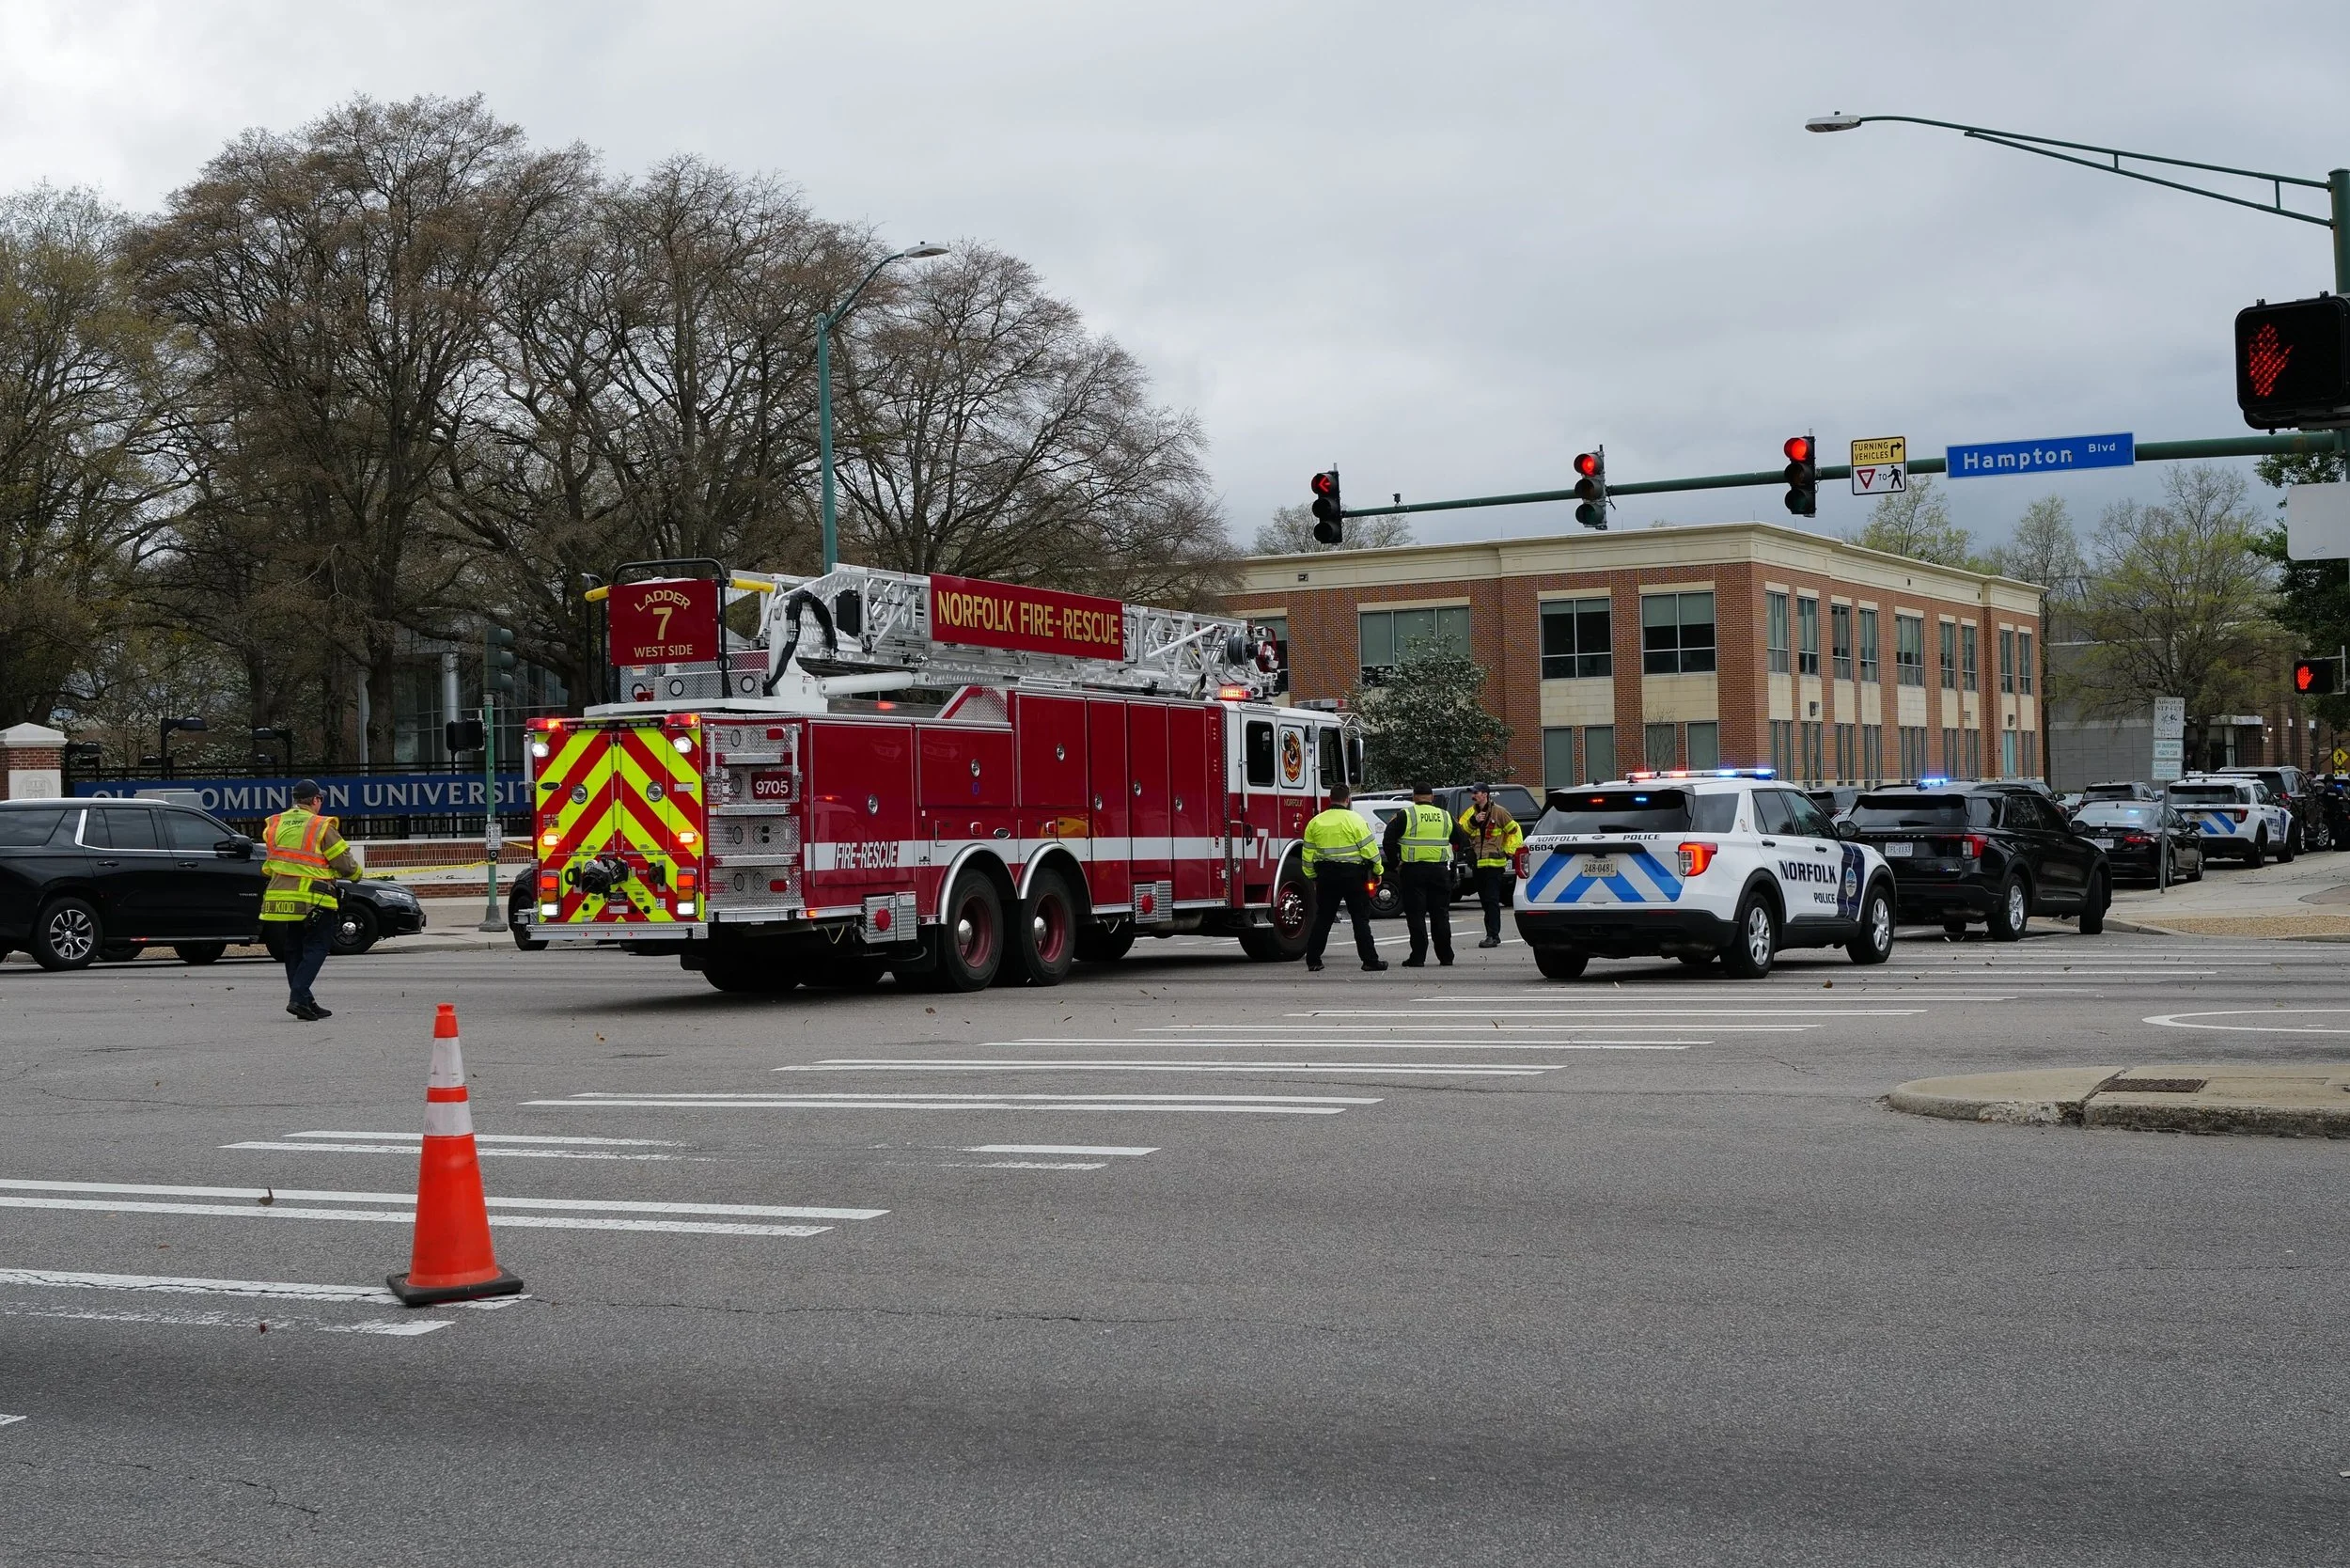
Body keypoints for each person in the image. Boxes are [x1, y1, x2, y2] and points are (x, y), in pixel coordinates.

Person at [259, 779, 361, 1021]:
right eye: (320, 799)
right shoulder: (320, 825)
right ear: (315, 800)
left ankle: (305, 1001)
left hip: (280, 895)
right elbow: (343, 863)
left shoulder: (275, 823)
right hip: (314, 896)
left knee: (293, 946)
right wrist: (357, 875)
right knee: (317, 946)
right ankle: (298, 996)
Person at [1300, 782, 1386, 973]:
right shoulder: (1355, 820)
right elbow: (1370, 851)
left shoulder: (1316, 822)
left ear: (1330, 799)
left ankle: (1313, 960)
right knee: (1360, 919)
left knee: (1323, 918)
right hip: (1353, 876)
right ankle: (1370, 961)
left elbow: (1307, 855)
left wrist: (1313, 877)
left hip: (1326, 876)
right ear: (1348, 799)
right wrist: (1378, 871)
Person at [1382, 781, 1469, 967]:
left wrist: (1395, 862)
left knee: (1416, 915)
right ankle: (1446, 956)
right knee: (1440, 915)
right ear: (1432, 797)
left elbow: (1388, 839)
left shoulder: (1406, 815)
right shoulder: (1445, 816)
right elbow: (1462, 840)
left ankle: (1418, 957)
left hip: (1413, 871)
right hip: (1439, 871)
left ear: (1414, 797)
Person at [1457, 783, 1524, 949]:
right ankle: (1492, 933)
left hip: (1495, 864)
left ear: (1485, 794)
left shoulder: (1499, 812)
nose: (1473, 795)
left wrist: (1509, 851)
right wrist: (1473, 821)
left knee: (1492, 900)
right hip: (1478, 864)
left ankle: (1493, 935)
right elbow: (1460, 832)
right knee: (1485, 901)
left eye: (1476, 792)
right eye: (1472, 793)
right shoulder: (1470, 813)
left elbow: (1515, 831)